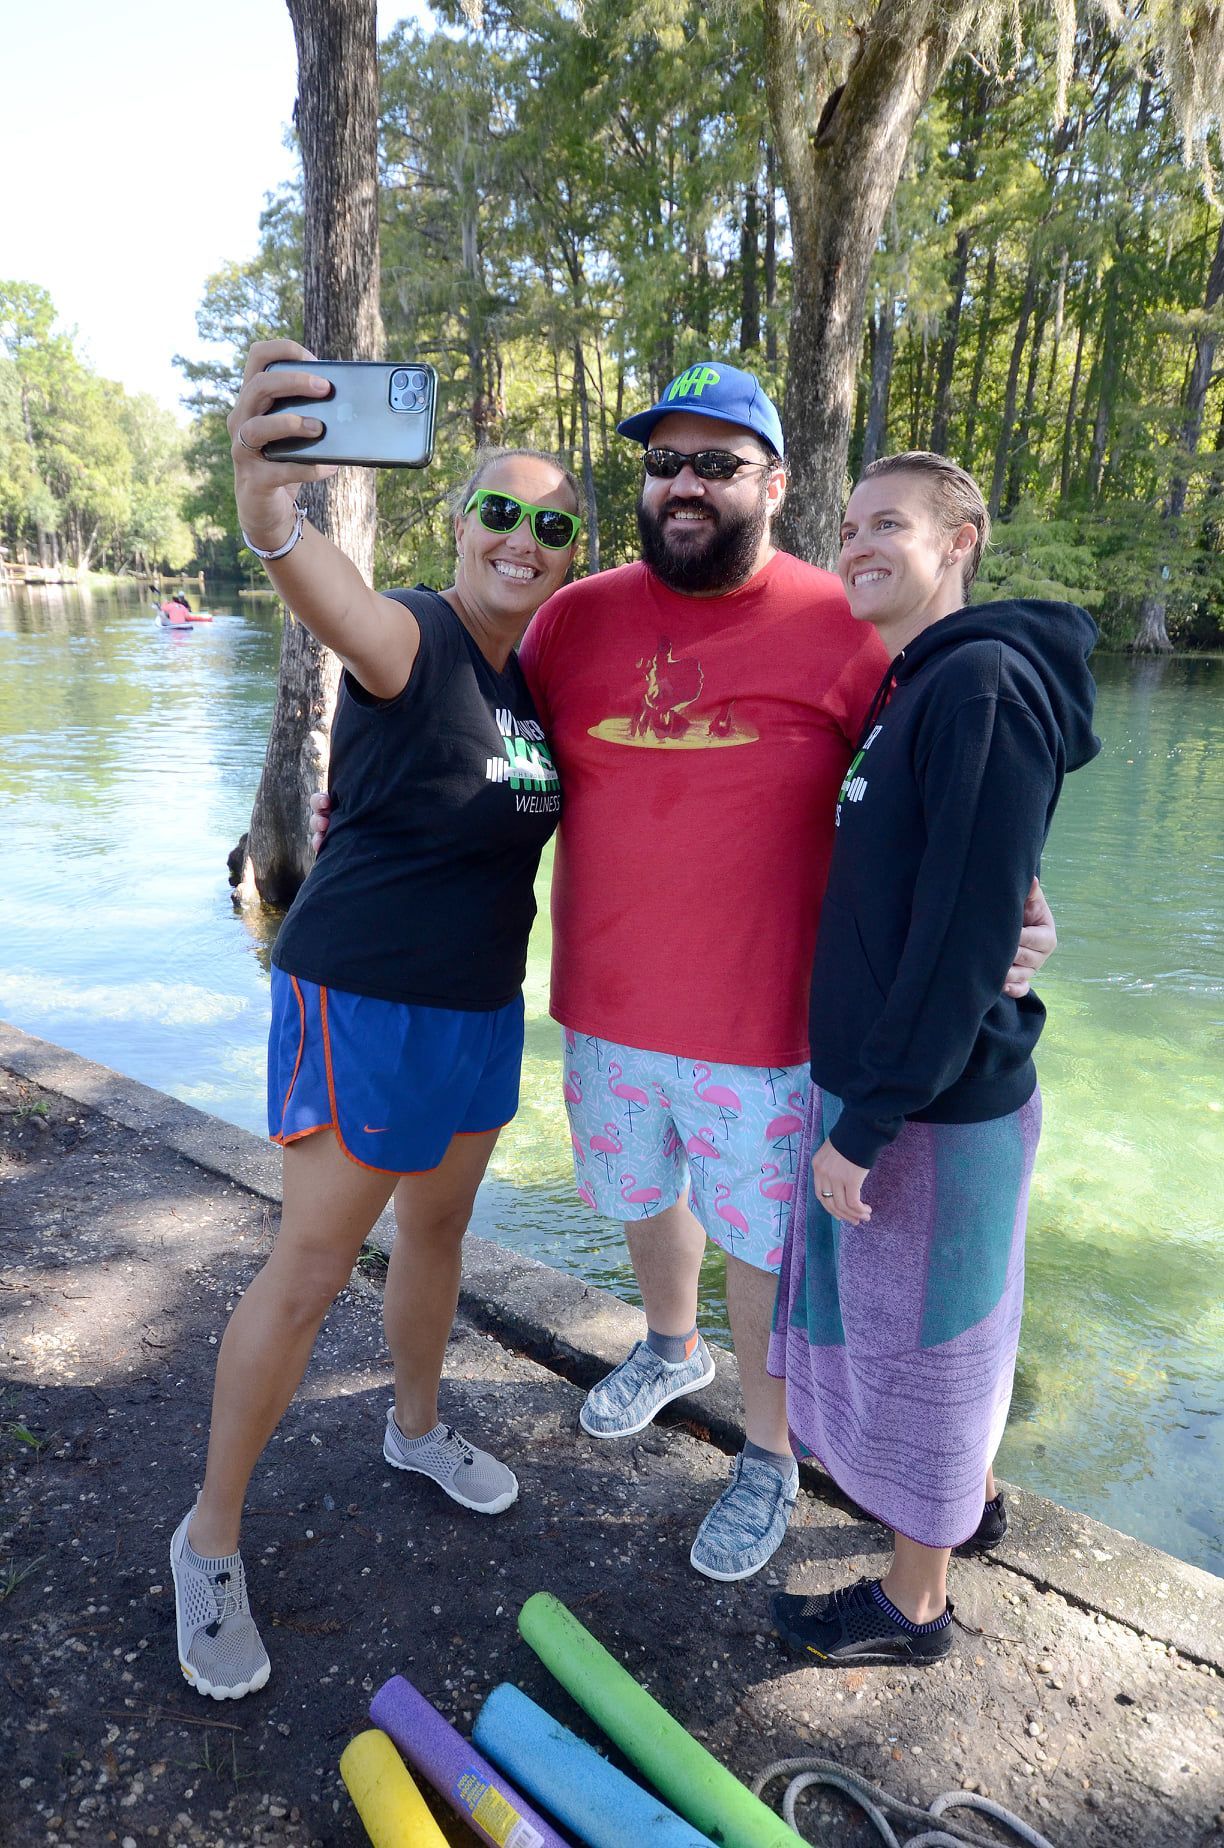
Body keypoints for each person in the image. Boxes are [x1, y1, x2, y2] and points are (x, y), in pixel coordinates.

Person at [312, 364, 1054, 1584]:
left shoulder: (844, 624)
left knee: (764, 1241)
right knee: (643, 1189)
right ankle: (669, 1346)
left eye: (718, 462)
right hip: (603, 1005)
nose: (687, 485)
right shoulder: (573, 616)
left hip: (767, 1023)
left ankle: (767, 1451)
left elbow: (938, 789)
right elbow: (477, 730)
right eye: (666, 463)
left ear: (772, 481)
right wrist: (375, 805)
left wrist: (1019, 899)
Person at [169, 338, 578, 1701]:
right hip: (359, 995)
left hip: (474, 1008)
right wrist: (266, 499)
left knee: (442, 1230)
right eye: (501, 511)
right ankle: (208, 1535)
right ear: (460, 524)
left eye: (553, 524)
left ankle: (414, 1428)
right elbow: (320, 586)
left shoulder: (535, 691)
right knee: (309, 1264)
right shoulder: (417, 636)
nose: (524, 538)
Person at [769, 452, 1098, 1666]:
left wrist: (868, 1122)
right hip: (902, 1085)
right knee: (934, 1336)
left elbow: (965, 931)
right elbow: (965, 882)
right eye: (849, 525)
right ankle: (977, 1501)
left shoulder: (983, 689)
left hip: (939, 1108)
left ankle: (915, 1606)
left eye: (890, 524)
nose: (858, 542)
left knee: (936, 1346)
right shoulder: (918, 687)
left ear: (962, 539)